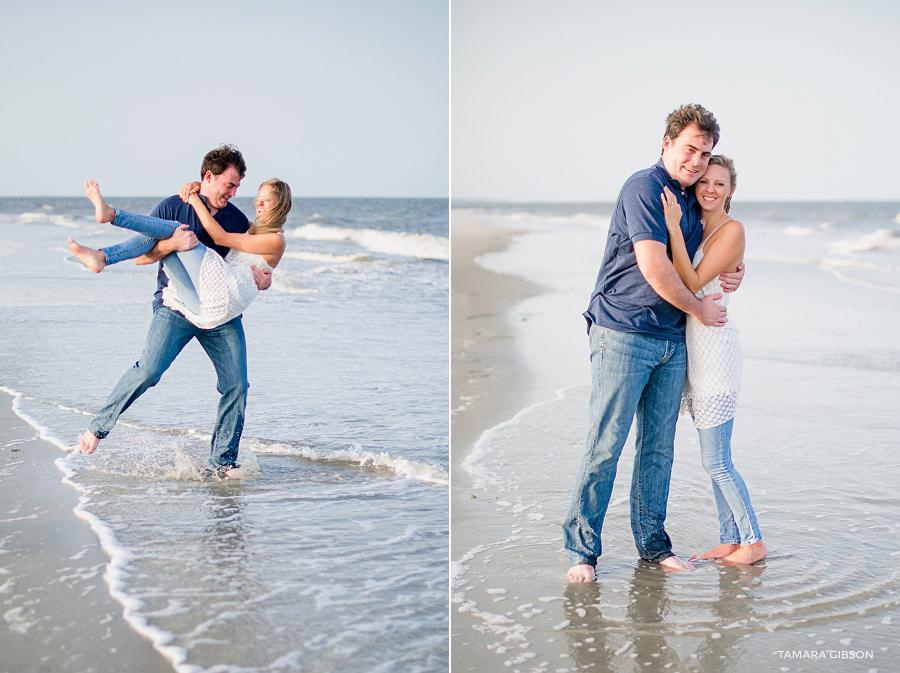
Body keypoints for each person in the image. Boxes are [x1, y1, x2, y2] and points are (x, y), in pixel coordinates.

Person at [562, 104, 745, 582]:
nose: (697, 161)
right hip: (622, 330)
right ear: (666, 144)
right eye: (689, 149)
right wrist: (700, 309)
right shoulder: (643, 188)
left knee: (658, 450)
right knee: (606, 446)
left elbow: (712, 251)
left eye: (705, 154)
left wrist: (735, 270)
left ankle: (653, 546)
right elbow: (655, 267)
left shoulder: (691, 199)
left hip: (671, 340)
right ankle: (582, 552)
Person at [71, 145, 272, 478]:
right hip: (175, 305)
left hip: (219, 313)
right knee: (148, 371)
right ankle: (97, 427)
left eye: (237, 187)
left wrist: (263, 280)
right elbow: (142, 256)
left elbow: (247, 262)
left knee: (237, 384)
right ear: (208, 176)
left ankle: (223, 463)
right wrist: (172, 246)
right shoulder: (172, 206)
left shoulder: (236, 219)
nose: (234, 193)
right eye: (229, 184)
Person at [661, 155, 766, 565]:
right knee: (713, 459)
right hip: (696, 350)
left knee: (716, 460)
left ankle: (753, 541)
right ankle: (728, 539)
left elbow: (691, 280)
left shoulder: (731, 229)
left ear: (731, 191)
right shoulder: (695, 224)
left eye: (720, 184)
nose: (710, 189)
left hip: (717, 350)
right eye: (704, 181)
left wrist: (670, 226)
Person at [70, 176, 290, 329]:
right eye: (258, 196)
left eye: (266, 199)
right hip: (205, 301)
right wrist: (201, 187)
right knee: (173, 239)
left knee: (178, 231)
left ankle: (111, 221)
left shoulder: (275, 240)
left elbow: (220, 237)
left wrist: (194, 198)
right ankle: (102, 254)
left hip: (222, 298)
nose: (258, 202)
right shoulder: (253, 230)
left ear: (279, 206)